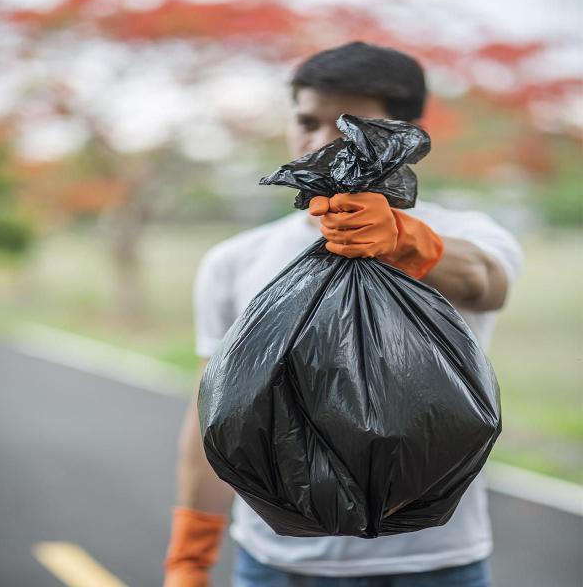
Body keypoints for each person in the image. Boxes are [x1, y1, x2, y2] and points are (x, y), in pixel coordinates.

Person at [163, 42, 523, 587]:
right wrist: (191, 554)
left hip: (431, 566)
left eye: (349, 128)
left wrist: (406, 240)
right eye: (307, 121)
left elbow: (484, 281)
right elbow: (214, 413)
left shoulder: (469, 233)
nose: (322, 142)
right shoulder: (234, 261)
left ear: (404, 134)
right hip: (274, 564)